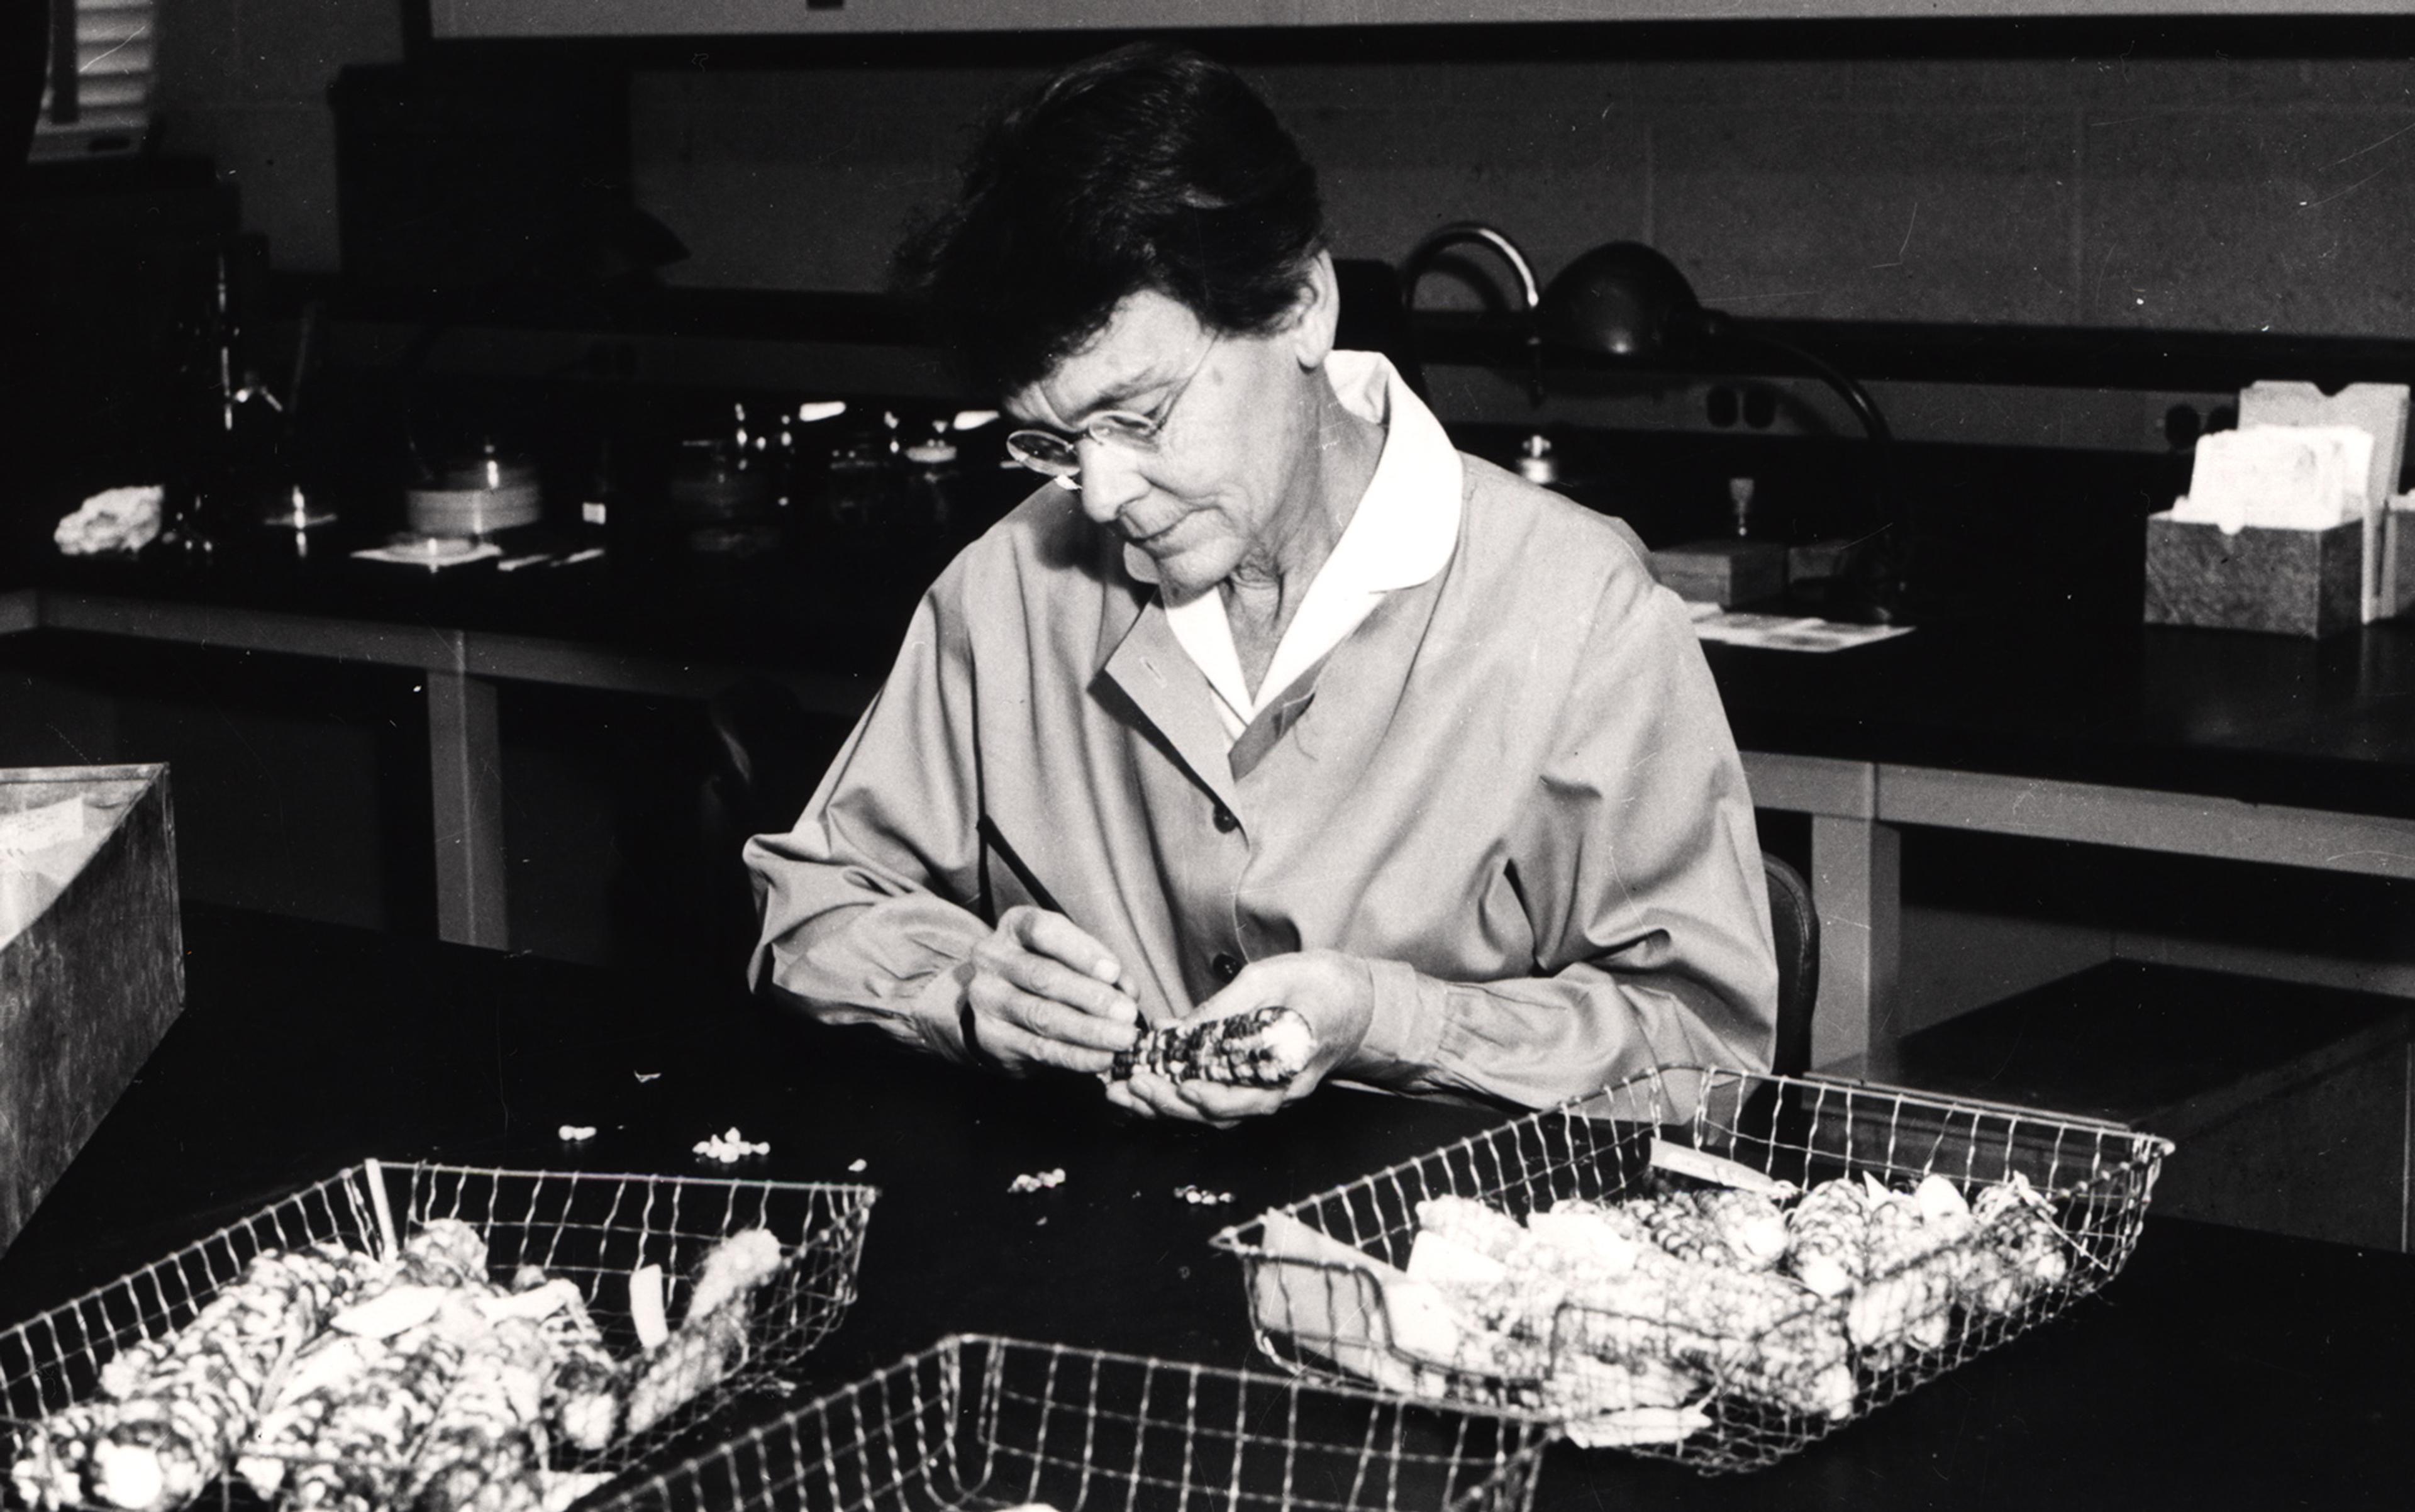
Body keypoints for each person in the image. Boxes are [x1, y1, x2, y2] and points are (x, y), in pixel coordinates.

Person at [745, 45, 1775, 1125]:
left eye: (1138, 418)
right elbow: (810, 905)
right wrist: (961, 989)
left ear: (1299, 308)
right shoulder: (1010, 589)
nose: (1098, 495)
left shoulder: (1573, 610)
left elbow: (1707, 1052)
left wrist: (1385, 1020)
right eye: (1052, 442)